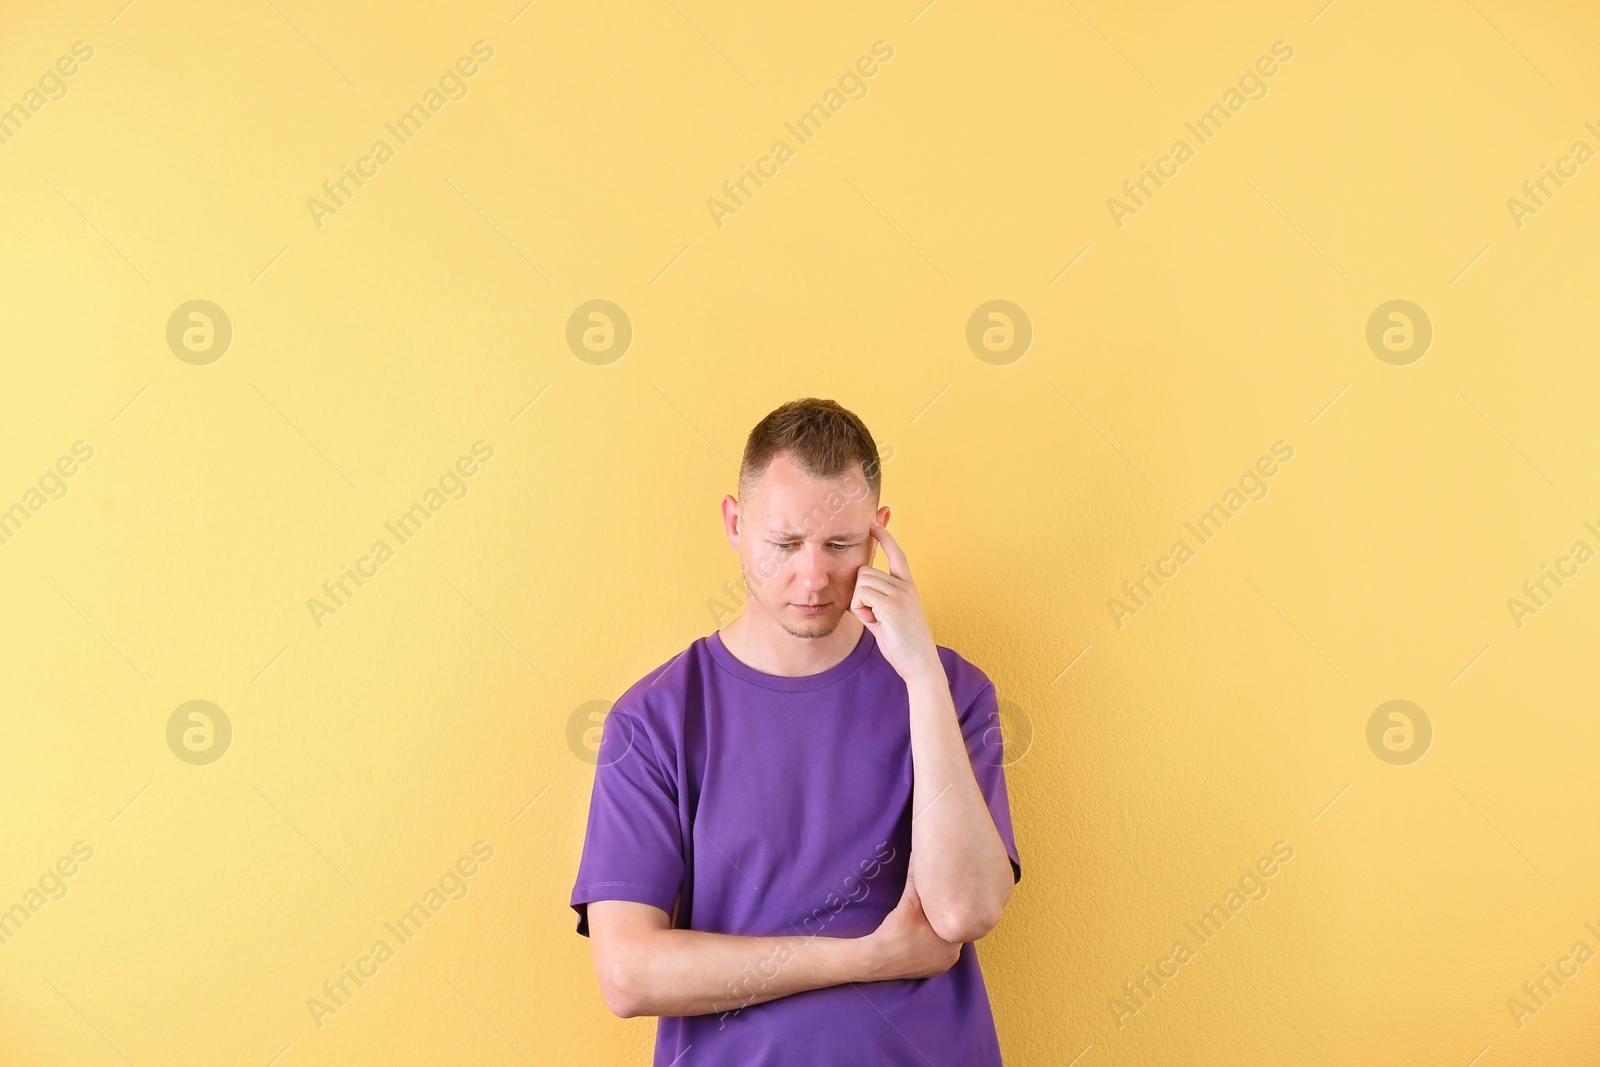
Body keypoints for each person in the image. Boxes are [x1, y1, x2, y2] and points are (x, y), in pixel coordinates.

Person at [570, 397, 1022, 1065]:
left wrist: (921, 675)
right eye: (784, 543)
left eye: (840, 543)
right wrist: (866, 958)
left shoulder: (950, 689)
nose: (811, 575)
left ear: (878, 533)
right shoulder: (656, 717)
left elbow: (964, 910)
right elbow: (629, 974)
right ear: (734, 522)